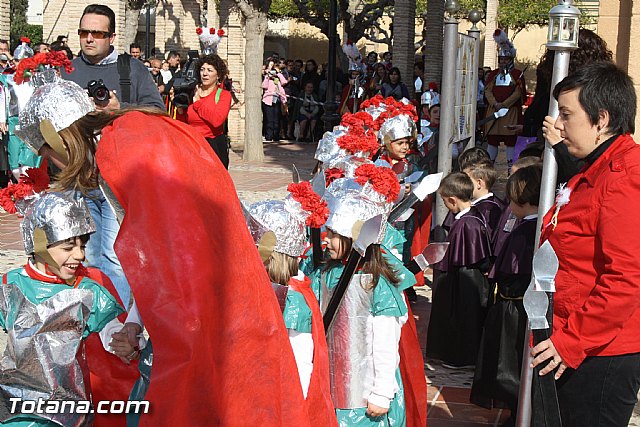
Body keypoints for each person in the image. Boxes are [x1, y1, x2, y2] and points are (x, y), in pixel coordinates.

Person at [17, 76, 314, 425]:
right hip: (194, 306)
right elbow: (156, 254)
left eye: (47, 152)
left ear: (56, 135)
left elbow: (173, 250)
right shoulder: (122, 139)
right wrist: (136, 321)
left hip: (206, 307)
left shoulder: (126, 144)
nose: (51, 164)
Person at [531, 62, 640, 427]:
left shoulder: (624, 178)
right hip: (577, 334)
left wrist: (570, 342)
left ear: (602, 120)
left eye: (566, 115)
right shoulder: (595, 166)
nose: (557, 125)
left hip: (600, 351)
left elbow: (626, 278)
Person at [0, 191, 139, 426]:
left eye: (82, 246)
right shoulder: (10, 284)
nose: (80, 255)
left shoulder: (87, 290)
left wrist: (124, 342)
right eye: (68, 247)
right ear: (40, 242)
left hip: (65, 412)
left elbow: (111, 334)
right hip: (15, 407)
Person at [309, 166, 413, 426]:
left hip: (365, 392)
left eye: (334, 235)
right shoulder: (327, 271)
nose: (326, 240)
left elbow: (386, 343)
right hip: (333, 382)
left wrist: (381, 392)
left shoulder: (376, 284)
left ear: (355, 237)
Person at [246, 183, 337, 426]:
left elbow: (301, 360)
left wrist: (294, 409)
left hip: (283, 402)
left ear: (268, 254)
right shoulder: (268, 288)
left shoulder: (293, 299)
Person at [471, 163, 542, 424]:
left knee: (511, 366)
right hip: (525, 306)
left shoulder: (525, 232)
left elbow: (510, 271)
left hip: (516, 309)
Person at [426, 172, 492, 369]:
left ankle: (462, 358)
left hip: (465, 280)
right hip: (463, 277)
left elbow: (476, 255)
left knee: (464, 319)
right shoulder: (471, 217)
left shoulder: (467, 223)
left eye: (445, 201)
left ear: (453, 200)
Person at [62, 4, 164, 111]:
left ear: (111, 37)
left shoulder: (134, 68)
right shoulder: (66, 71)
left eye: (97, 34)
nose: (89, 39)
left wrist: (120, 108)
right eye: (83, 32)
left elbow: (158, 111)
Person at [179, 53, 231, 169]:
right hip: (192, 145)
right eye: (202, 70)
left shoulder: (224, 95)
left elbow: (217, 120)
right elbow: (184, 122)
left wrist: (197, 103)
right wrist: (180, 108)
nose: (205, 73)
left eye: (210, 70)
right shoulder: (191, 92)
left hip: (213, 147)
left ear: (218, 75)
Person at [483, 29, 525, 172]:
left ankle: (509, 168)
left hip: (510, 112)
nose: (503, 62)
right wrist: (495, 103)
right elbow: (487, 90)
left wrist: (505, 104)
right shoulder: (494, 74)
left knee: (510, 141)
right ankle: (488, 169)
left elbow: (519, 92)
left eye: (506, 59)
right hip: (494, 111)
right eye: (501, 60)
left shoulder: (517, 74)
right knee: (492, 140)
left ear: (511, 60)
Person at [462, 159, 507, 244]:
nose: (462, 184)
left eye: (466, 181)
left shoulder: (488, 210)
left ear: (479, 183)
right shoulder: (486, 204)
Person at [262, 58, 287, 142]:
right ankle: (269, 135)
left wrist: (278, 74)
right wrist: (267, 77)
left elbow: (284, 82)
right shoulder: (267, 77)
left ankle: (276, 135)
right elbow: (264, 86)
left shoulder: (277, 78)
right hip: (268, 99)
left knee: (276, 119)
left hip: (276, 99)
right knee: (269, 119)